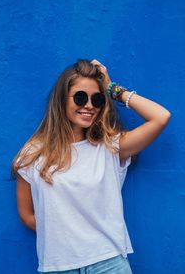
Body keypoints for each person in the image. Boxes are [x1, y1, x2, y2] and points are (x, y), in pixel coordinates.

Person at [11, 59, 171, 274]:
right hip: (58, 266)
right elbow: (27, 215)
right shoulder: (33, 153)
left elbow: (161, 117)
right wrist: (68, 238)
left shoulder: (110, 147)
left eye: (97, 99)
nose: (89, 105)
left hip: (108, 263)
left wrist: (112, 89)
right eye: (80, 97)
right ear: (61, 99)